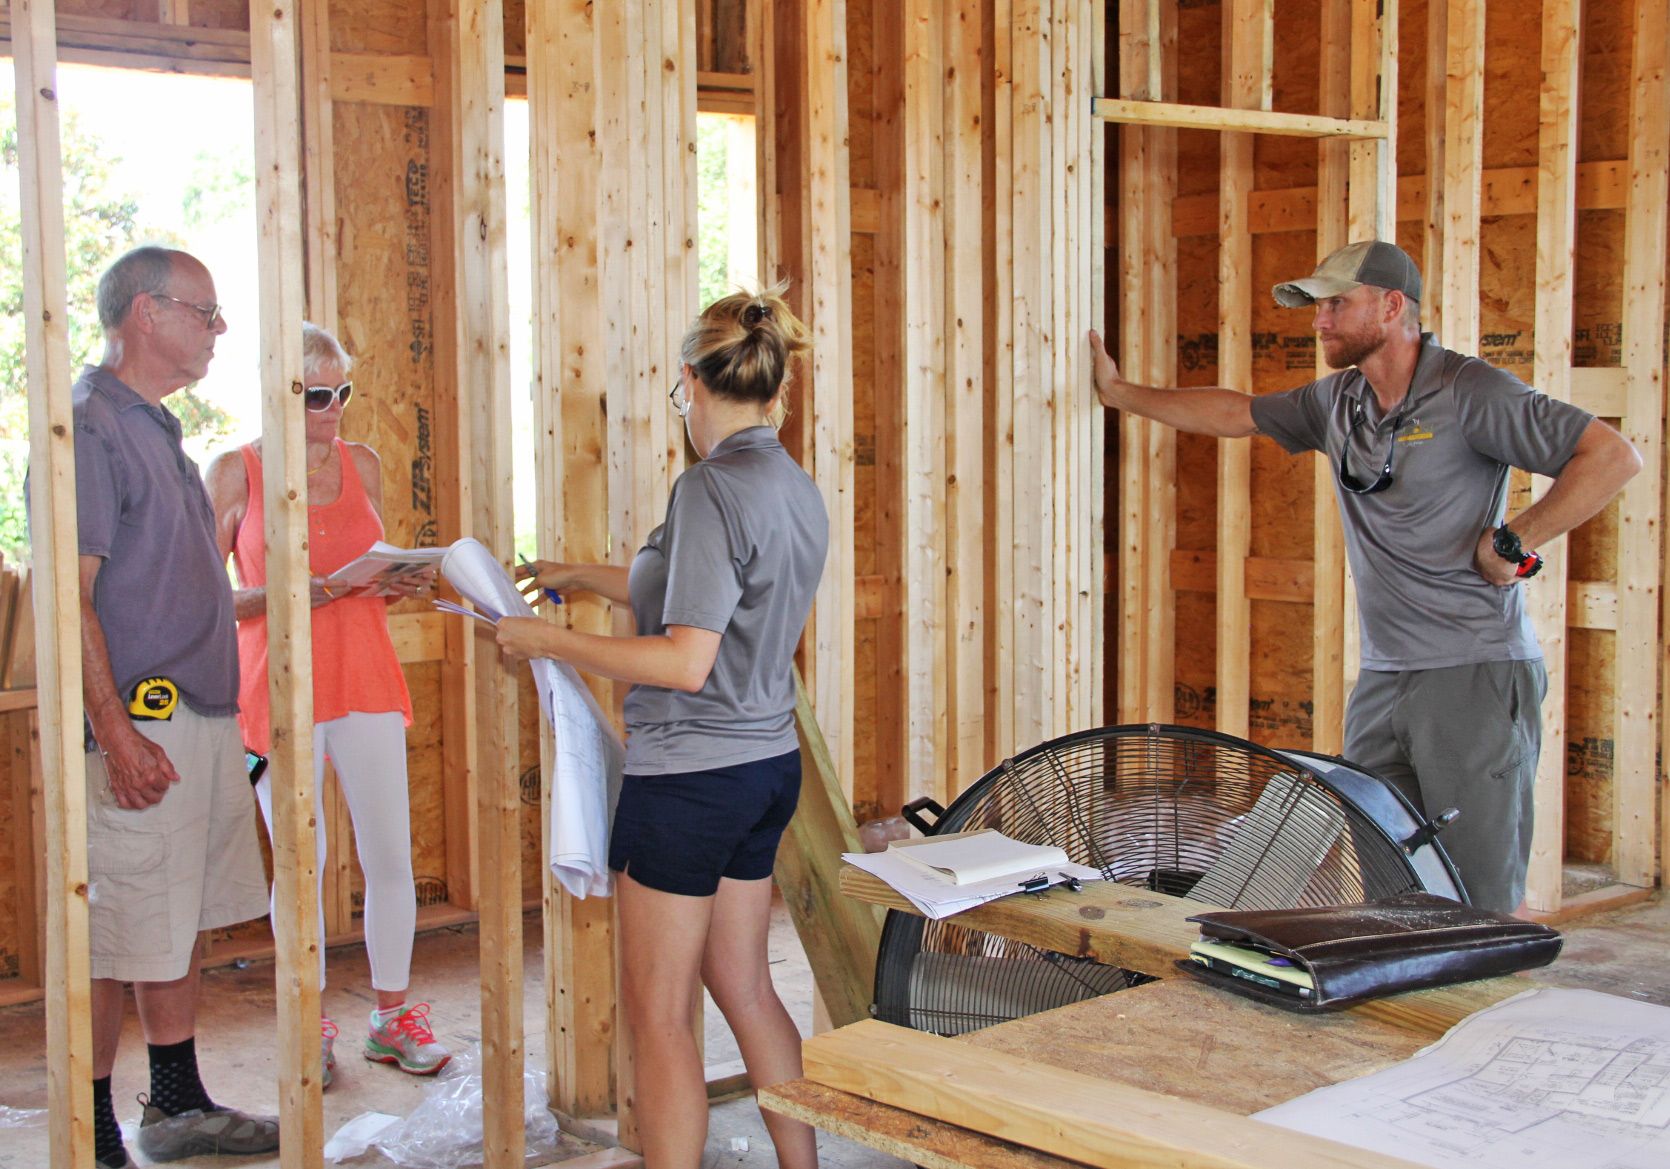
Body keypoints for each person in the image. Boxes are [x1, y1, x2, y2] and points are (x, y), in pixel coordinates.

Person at [1088, 239, 1641, 913]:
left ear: (1391, 306)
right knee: (1387, 882)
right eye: (1317, 307)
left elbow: (1611, 455)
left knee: (1475, 896)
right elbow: (1235, 412)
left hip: (1471, 672)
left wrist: (1515, 538)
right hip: (1384, 680)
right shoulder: (1338, 402)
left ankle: (1487, 1017)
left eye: (1336, 305)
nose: (1319, 321)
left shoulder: (1471, 392)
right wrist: (1120, 394)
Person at [500, 285, 826, 1169]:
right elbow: (706, 591)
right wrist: (587, 577)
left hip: (688, 781)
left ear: (689, 383)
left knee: (659, 1014)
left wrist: (547, 641)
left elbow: (685, 657)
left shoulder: (709, 489)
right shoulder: (792, 485)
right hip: (762, 768)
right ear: (773, 388)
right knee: (747, 986)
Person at [52, 246, 280, 1168]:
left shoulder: (158, 429)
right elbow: (69, 594)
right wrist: (112, 727)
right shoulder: (88, 428)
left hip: (197, 718)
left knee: (172, 915)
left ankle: (176, 1104)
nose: (219, 330)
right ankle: (92, 1123)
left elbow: (182, 590)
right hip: (138, 724)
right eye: (206, 312)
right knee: (114, 930)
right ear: (146, 313)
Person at [204, 322, 450, 1090]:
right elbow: (205, 602)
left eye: (342, 390)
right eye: (317, 395)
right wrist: (294, 594)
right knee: (300, 866)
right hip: (277, 689)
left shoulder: (364, 463)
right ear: (278, 391)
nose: (334, 407)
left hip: (365, 676)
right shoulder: (233, 472)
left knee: (390, 857)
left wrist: (399, 577)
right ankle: (305, 1019)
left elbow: (371, 564)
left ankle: (392, 1015)